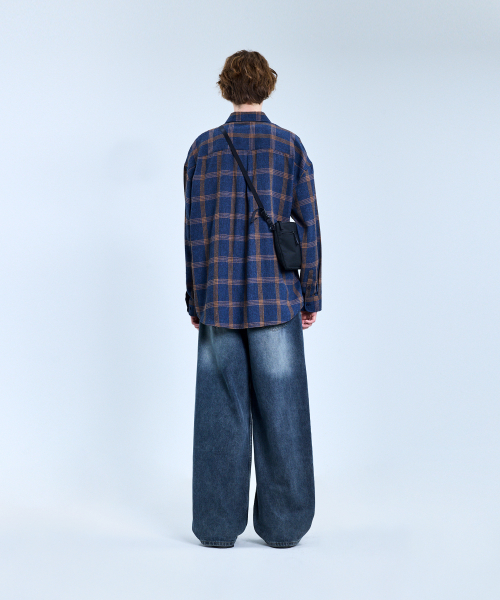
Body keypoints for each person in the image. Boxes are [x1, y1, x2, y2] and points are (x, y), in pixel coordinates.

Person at [183, 50, 322, 548]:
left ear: (226, 87)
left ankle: (217, 528)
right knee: (283, 415)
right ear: (267, 86)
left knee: (219, 417)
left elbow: (194, 233)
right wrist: (310, 295)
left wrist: (196, 300)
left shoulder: (203, 149)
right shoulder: (289, 146)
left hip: (218, 301)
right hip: (276, 300)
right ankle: (285, 528)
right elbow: (309, 228)